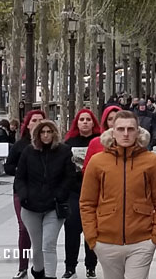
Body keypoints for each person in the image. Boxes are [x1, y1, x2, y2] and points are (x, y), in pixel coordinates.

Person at [80, 110, 156, 279]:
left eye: (130, 129)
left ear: (138, 131)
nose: (125, 134)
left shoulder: (153, 161)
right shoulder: (97, 162)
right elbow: (87, 202)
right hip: (106, 241)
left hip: (142, 241)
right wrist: (92, 238)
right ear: (112, 131)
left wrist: (155, 237)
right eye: (120, 129)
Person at [15, 120, 75, 279]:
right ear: (37, 134)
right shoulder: (28, 152)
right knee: (37, 247)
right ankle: (38, 271)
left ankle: (50, 276)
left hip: (53, 207)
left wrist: (60, 195)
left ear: (54, 133)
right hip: (30, 207)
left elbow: (69, 177)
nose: (46, 135)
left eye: (49, 132)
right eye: (43, 132)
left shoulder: (64, 151)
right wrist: (24, 195)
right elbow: (19, 178)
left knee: (48, 244)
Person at [4, 109, 46, 279]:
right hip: (22, 192)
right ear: (27, 125)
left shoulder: (51, 146)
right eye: (33, 120)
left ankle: (40, 267)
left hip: (45, 193)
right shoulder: (20, 146)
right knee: (24, 229)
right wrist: (22, 171)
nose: (37, 123)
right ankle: (23, 267)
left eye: (40, 120)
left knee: (43, 231)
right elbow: (8, 167)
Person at [63, 109, 101, 279]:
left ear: (93, 122)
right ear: (77, 123)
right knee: (71, 229)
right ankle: (70, 267)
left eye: (88, 119)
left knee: (91, 231)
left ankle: (90, 266)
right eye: (81, 119)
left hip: (95, 191)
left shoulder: (99, 141)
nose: (85, 122)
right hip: (73, 191)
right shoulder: (68, 143)